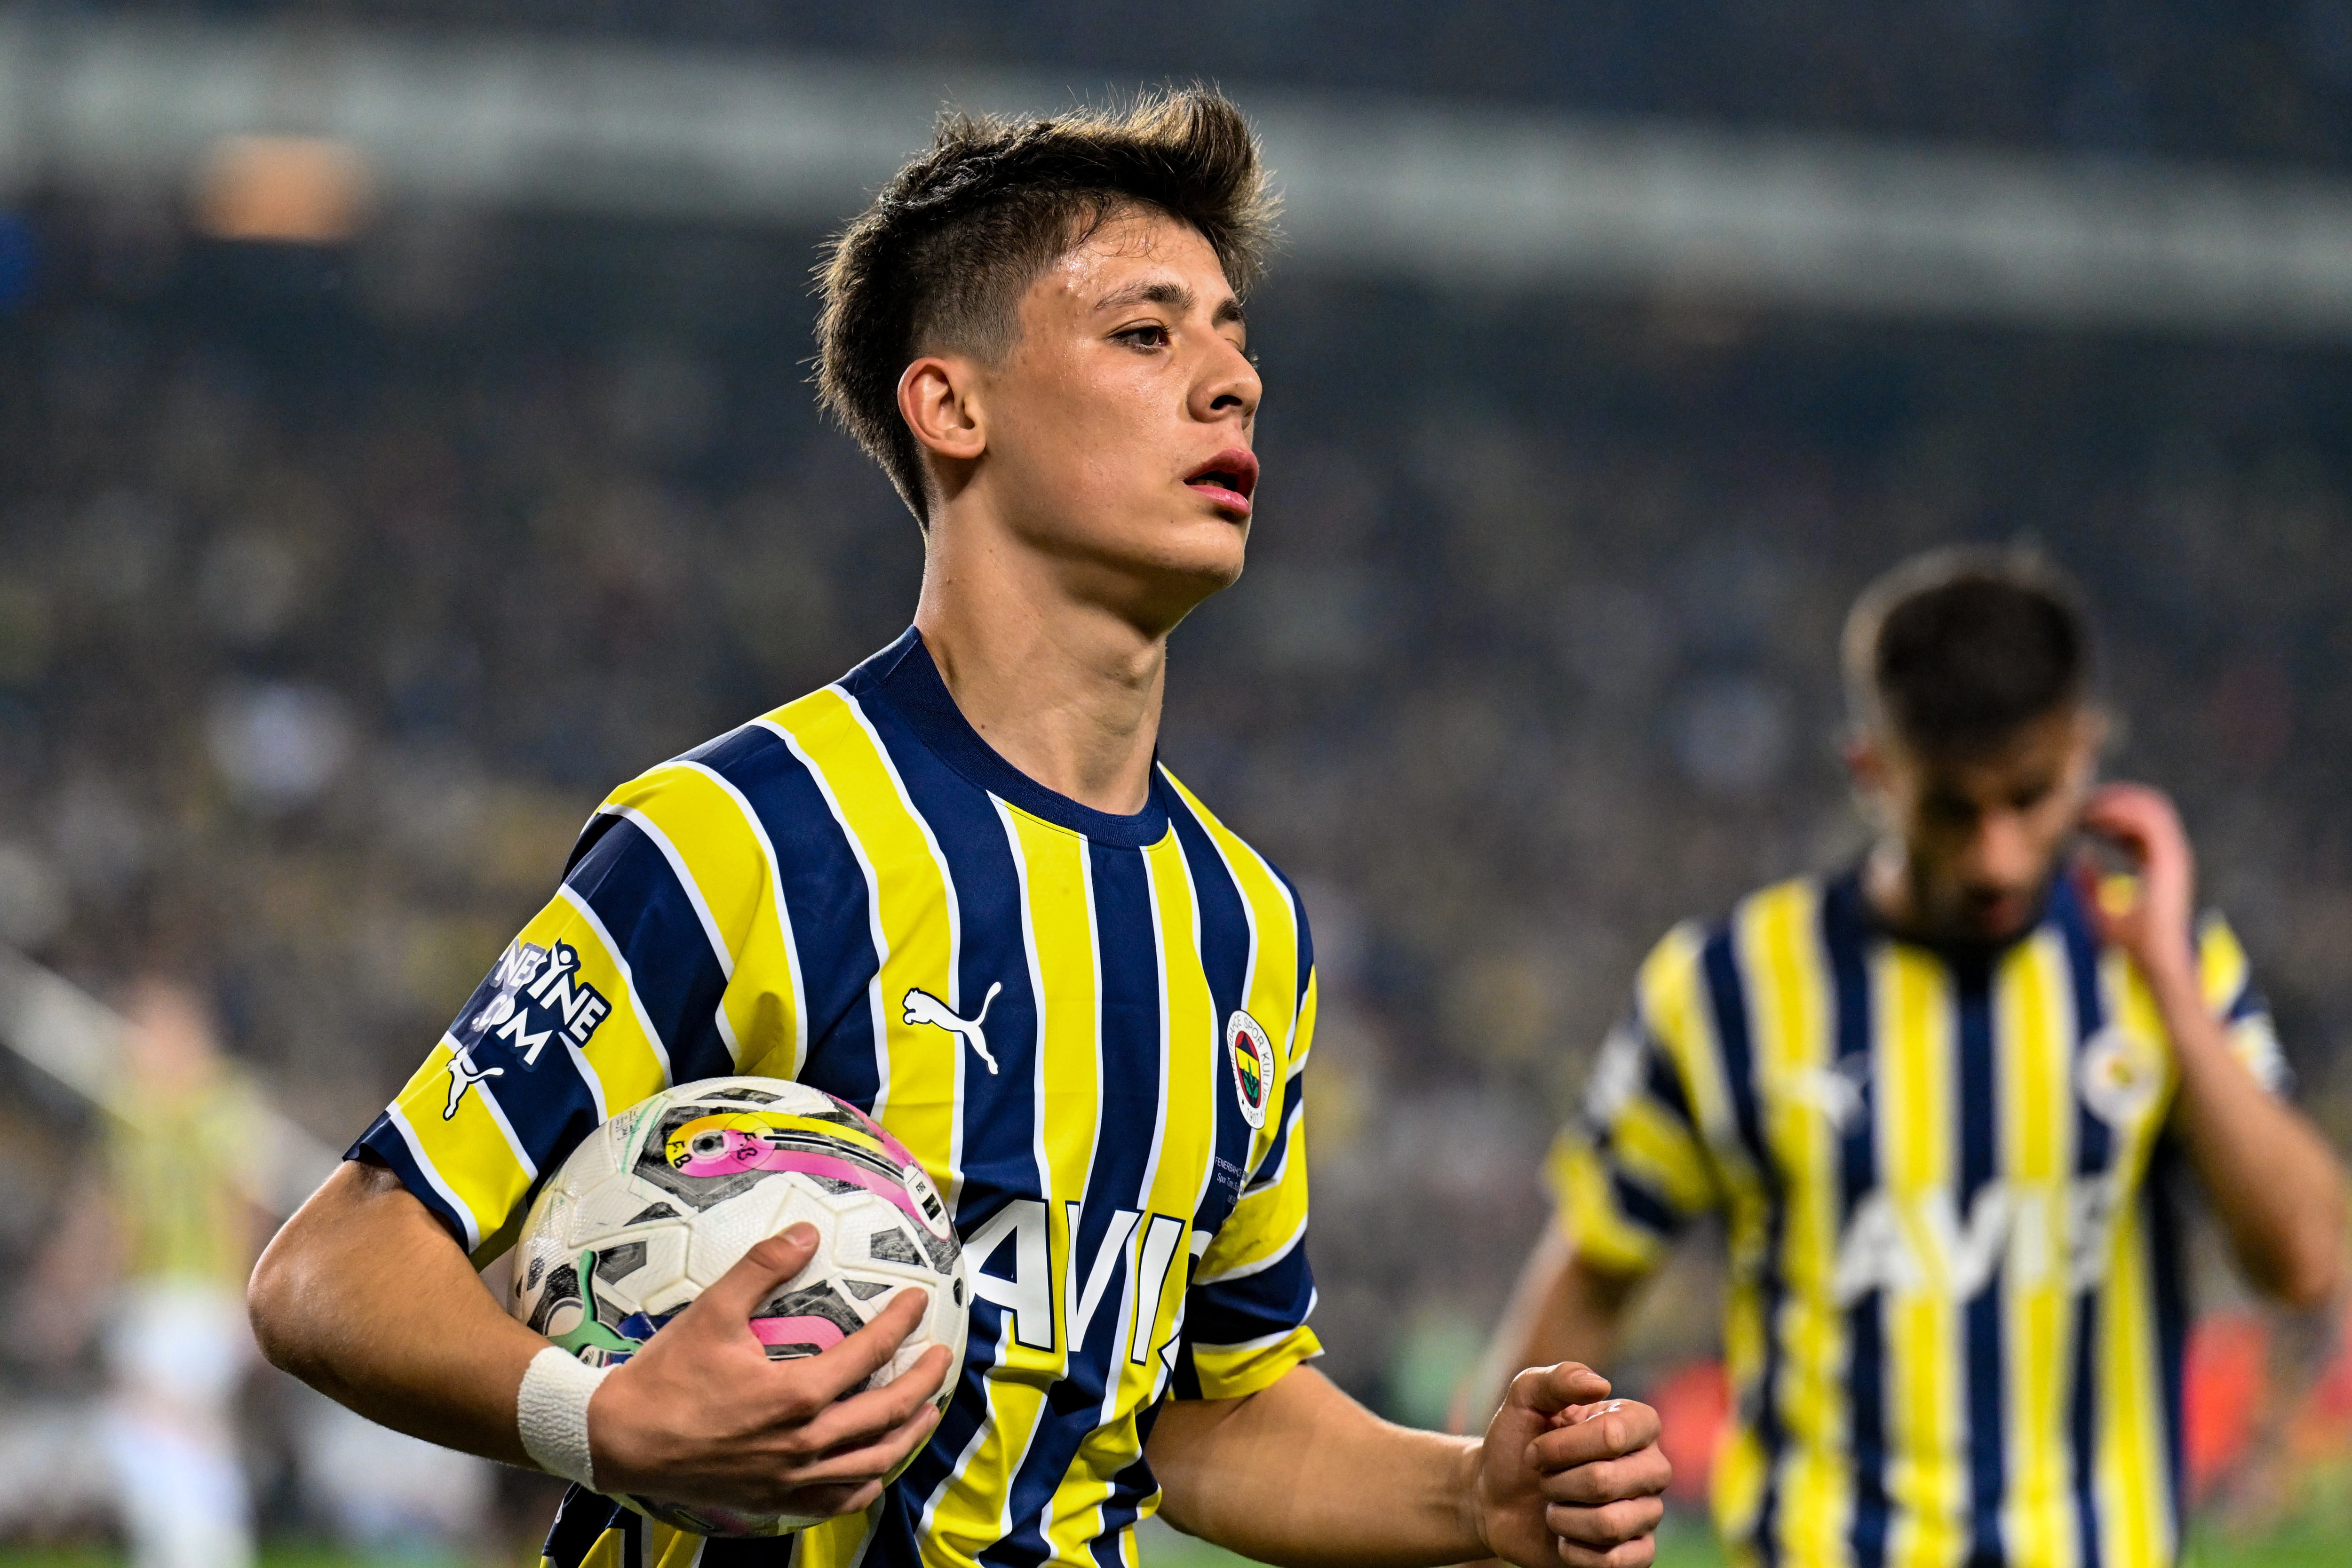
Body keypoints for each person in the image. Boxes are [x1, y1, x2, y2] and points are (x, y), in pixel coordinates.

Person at [249, 90, 1671, 1568]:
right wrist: (600, 1420)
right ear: (952, 406)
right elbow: (332, 1267)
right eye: (1147, 333)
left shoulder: (1243, 931)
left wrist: (1469, 1497)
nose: (1232, 382)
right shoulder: (744, 834)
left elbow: (1208, 1410)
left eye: (1235, 337)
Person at [1471, 548, 2346, 1567]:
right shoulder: (1725, 990)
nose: (1996, 855)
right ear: (1873, 772)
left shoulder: (2167, 970)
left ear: (2085, 752)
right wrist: (1474, 1527)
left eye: (2029, 798)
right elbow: (1587, 1278)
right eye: (1952, 808)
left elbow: (2305, 1259)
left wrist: (2166, 979)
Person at [33, 978, 271, 1568]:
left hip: (201, 1294)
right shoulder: (135, 1115)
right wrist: (77, 1292)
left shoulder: (223, 1104)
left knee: (168, 1429)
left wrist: (242, 1300)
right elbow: (118, 1216)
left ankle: (205, 1550)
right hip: (149, 1296)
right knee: (147, 1432)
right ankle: (182, 1549)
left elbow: (240, 1204)